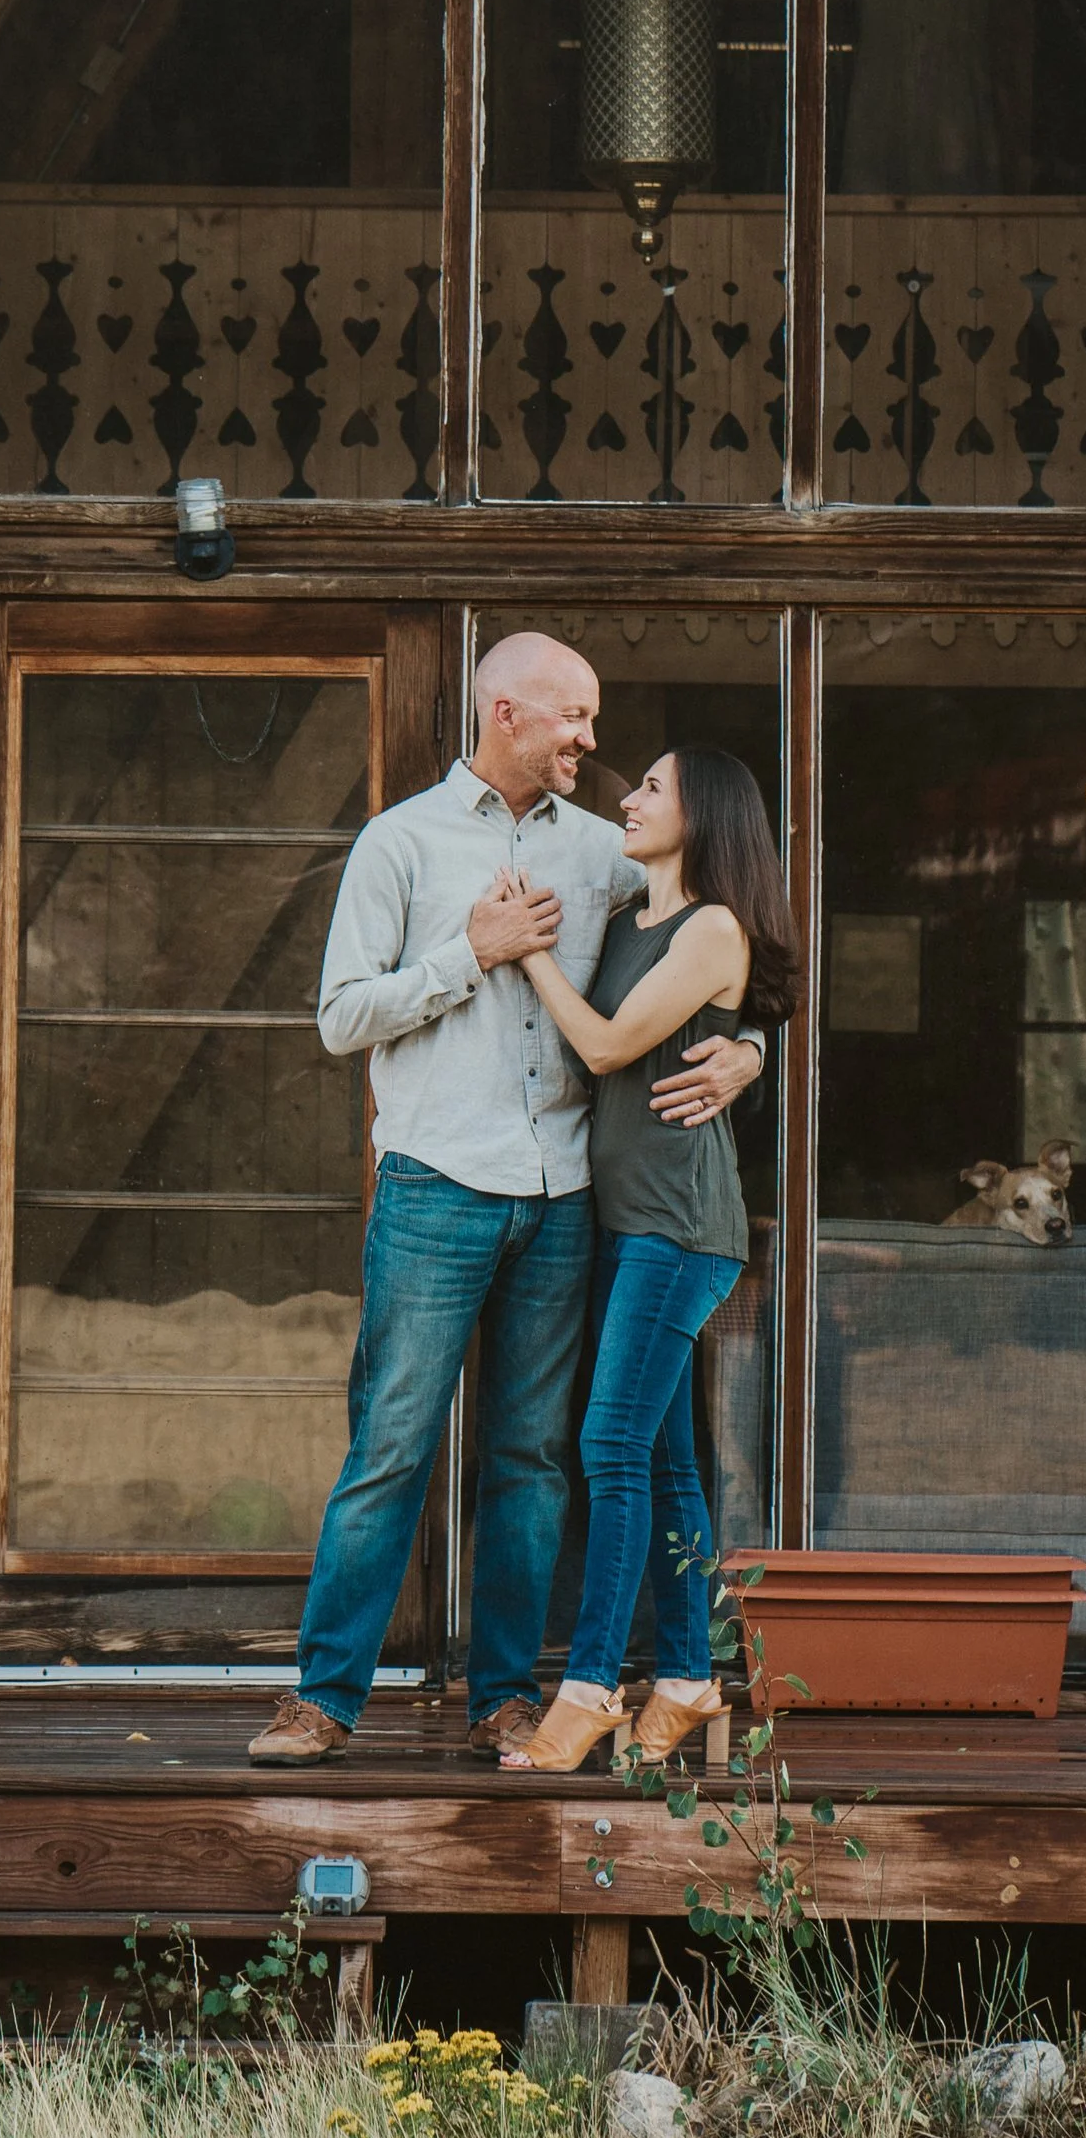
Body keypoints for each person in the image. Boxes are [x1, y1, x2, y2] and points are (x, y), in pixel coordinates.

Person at [248, 635, 764, 1765]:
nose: (592, 741)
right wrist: (468, 954)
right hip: (437, 1184)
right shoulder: (400, 844)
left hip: (569, 1194)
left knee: (530, 1457)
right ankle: (323, 1698)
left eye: (594, 719)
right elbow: (338, 1018)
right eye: (572, 717)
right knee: (391, 1443)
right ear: (504, 712)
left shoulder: (609, 853)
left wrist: (750, 1048)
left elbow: (715, 941)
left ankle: (505, 1699)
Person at [498, 743, 797, 1773]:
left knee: (611, 1449)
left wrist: (525, 951)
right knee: (667, 1465)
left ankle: (587, 1691)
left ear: (703, 814)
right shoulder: (634, 918)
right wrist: (754, 1050)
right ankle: (684, 1676)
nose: (627, 799)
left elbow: (607, 1046)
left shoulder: (713, 928)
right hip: (629, 1222)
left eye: (653, 789)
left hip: (679, 1225)